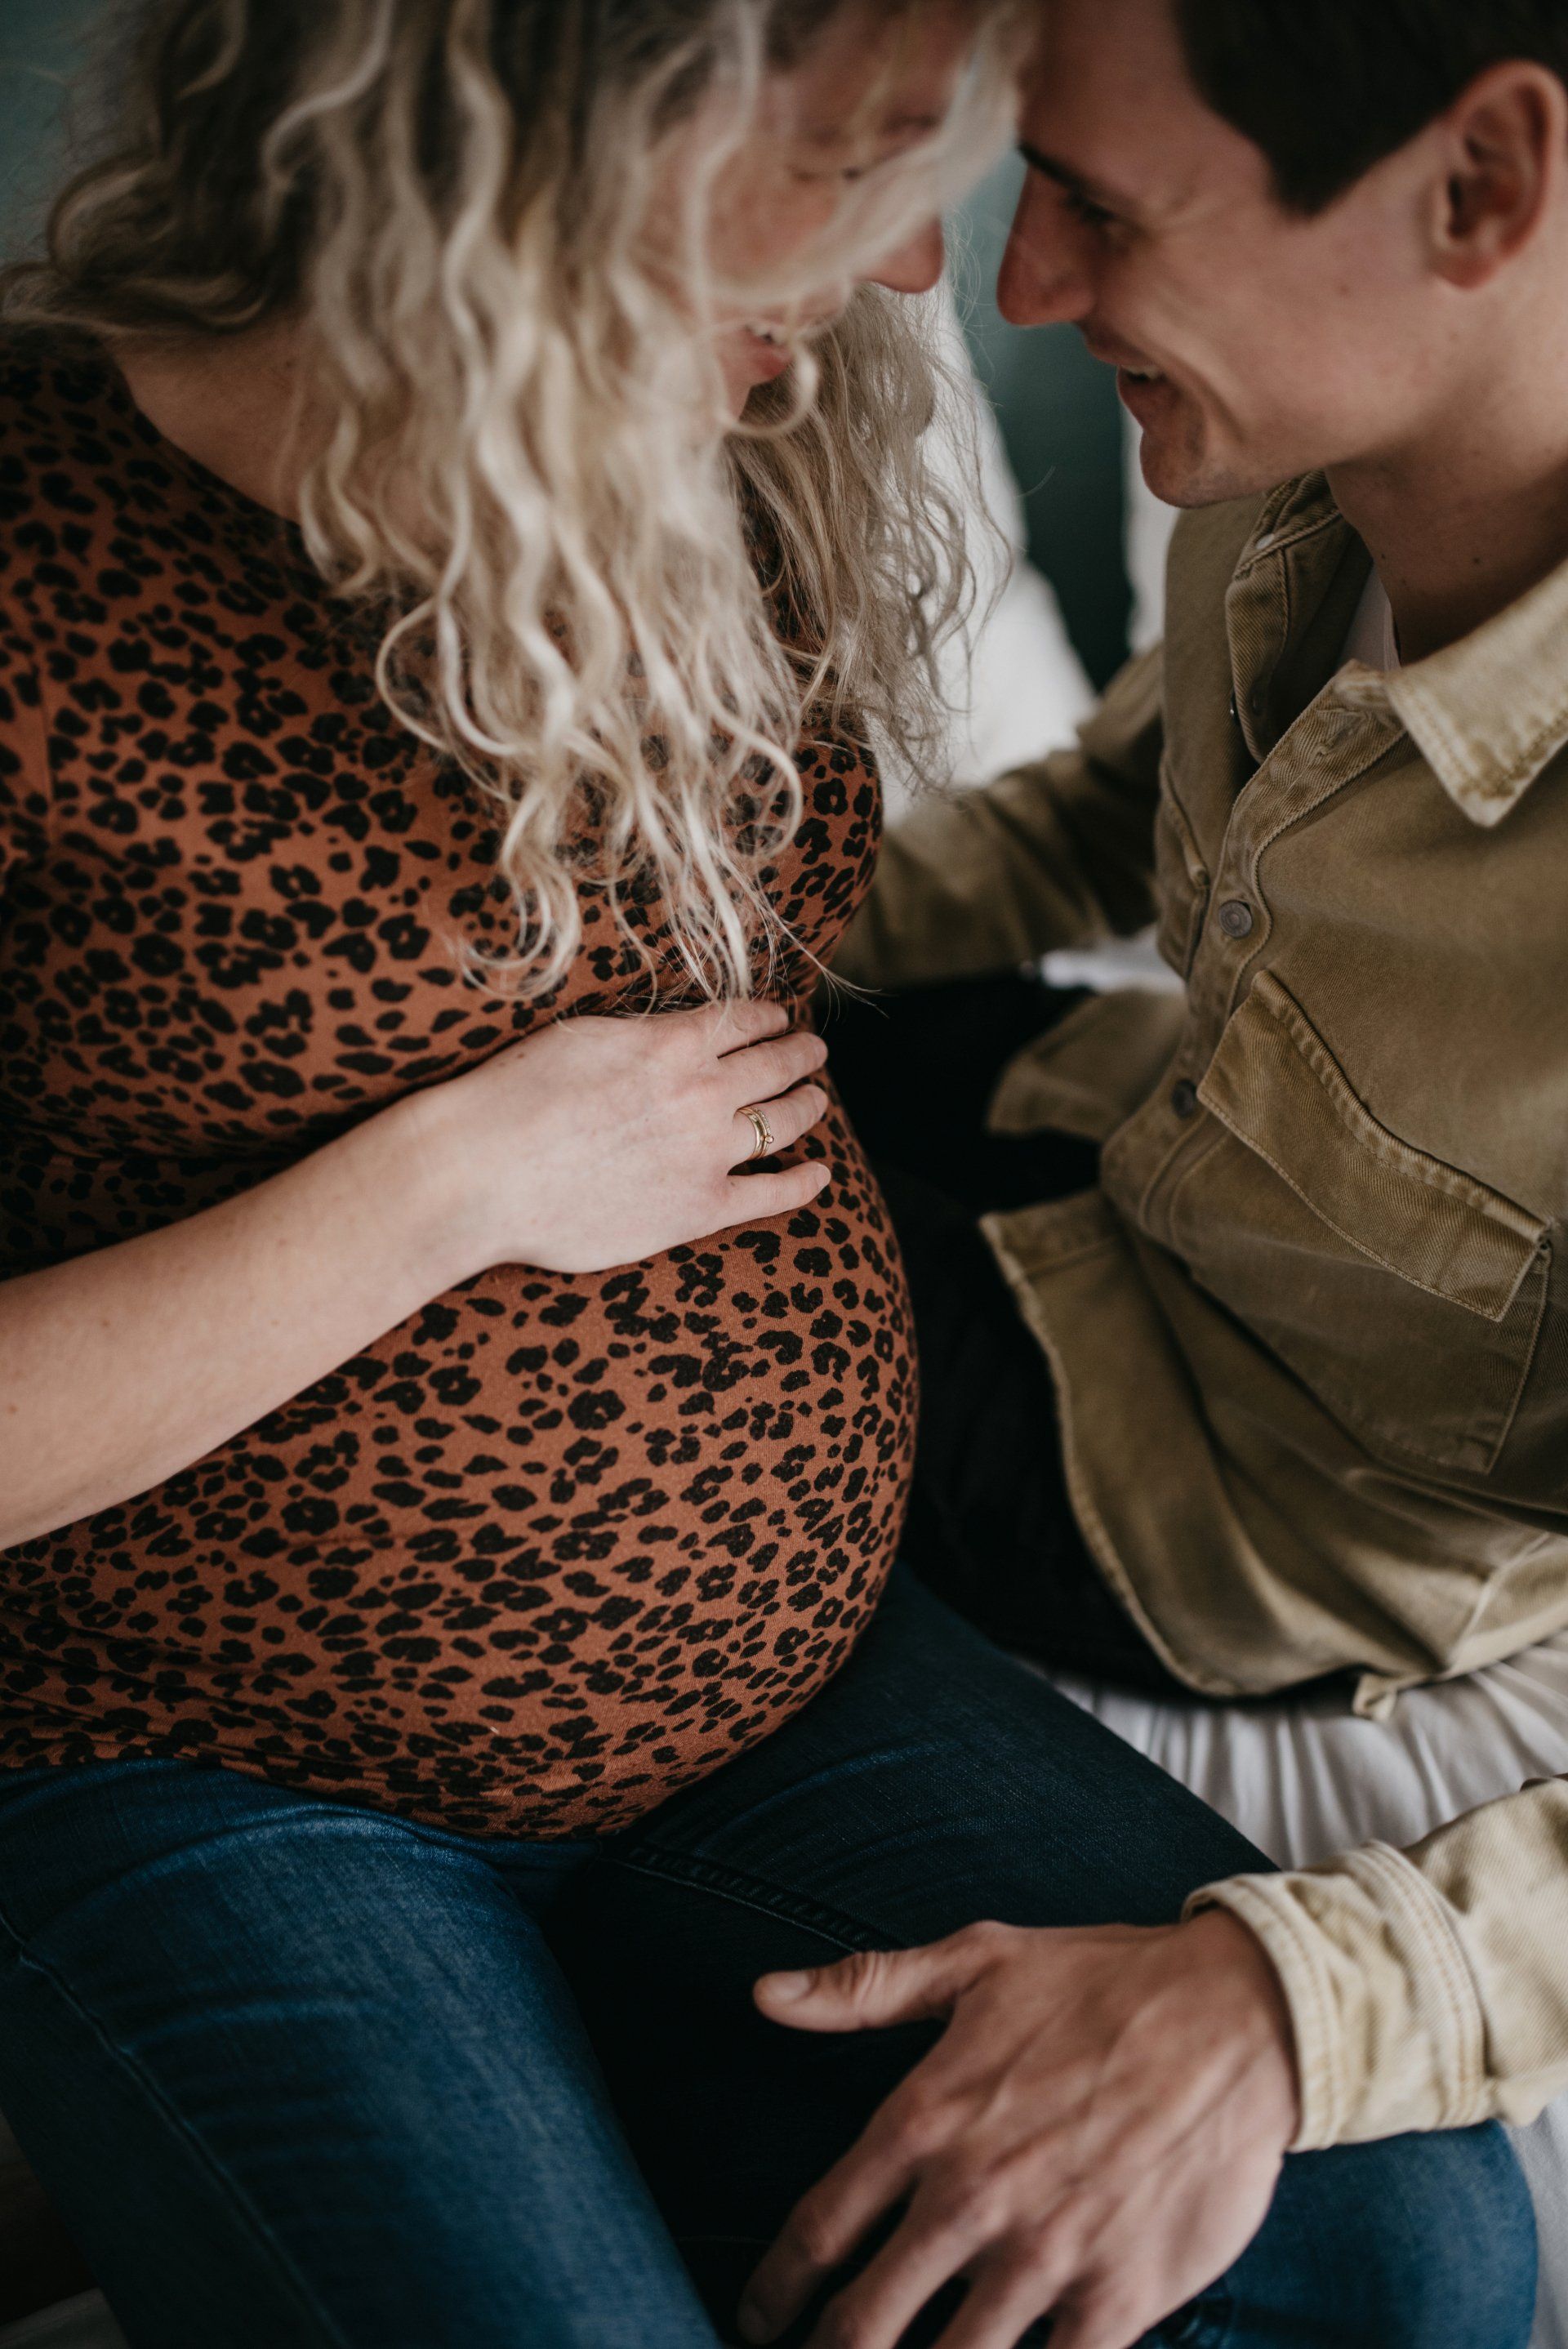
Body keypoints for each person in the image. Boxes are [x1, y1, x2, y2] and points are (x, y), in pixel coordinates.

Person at [0, 6, 1534, 2349]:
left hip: (793, 1679)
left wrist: (1293, 2000)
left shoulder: (738, 440)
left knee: (1401, 2242)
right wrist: (448, 1185)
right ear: (547, 130)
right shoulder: (44, 566)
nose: (940, 271)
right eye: (860, 161)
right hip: (208, 1742)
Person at [782, 0, 1568, 2341]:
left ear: (1480, 189)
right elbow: (1113, 806)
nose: (1015, 284)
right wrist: (710, 943)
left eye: (1105, 212)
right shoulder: (1296, 466)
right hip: (1099, 1135)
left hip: (1193, 1512)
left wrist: (1290, 2002)